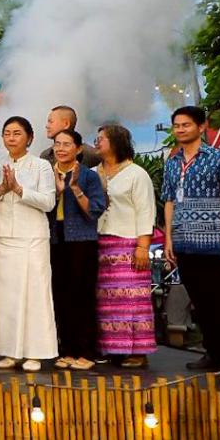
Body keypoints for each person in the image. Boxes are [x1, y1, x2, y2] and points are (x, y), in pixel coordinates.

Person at [162, 105, 220, 370]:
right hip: (184, 243)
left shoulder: (219, 158)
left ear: (201, 127)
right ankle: (213, 352)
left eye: (186, 125)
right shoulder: (172, 162)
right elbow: (169, 201)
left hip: (217, 243)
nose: (180, 130)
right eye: (176, 125)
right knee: (200, 301)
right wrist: (168, 238)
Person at [0, 116, 58, 372]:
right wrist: (1, 189)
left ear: (29, 137)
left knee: (34, 296)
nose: (11, 138)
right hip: (1, 236)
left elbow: (48, 202)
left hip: (32, 238)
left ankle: (36, 352)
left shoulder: (41, 166)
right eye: (7, 133)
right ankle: (9, 352)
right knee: (3, 298)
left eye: (17, 133)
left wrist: (18, 189)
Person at [93, 124, 157, 368]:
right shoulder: (93, 172)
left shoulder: (136, 174)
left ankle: (138, 352)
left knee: (132, 300)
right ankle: (113, 349)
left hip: (129, 243)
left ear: (116, 142)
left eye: (101, 139)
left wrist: (143, 247)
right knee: (107, 301)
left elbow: (145, 211)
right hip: (101, 243)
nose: (97, 142)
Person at [47, 129, 106, 371]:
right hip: (55, 239)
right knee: (60, 296)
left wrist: (74, 189)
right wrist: (56, 192)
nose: (60, 149)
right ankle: (68, 350)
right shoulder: (46, 173)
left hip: (82, 240)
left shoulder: (89, 176)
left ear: (78, 149)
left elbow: (95, 210)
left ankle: (87, 351)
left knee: (82, 296)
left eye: (66, 144)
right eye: (57, 144)